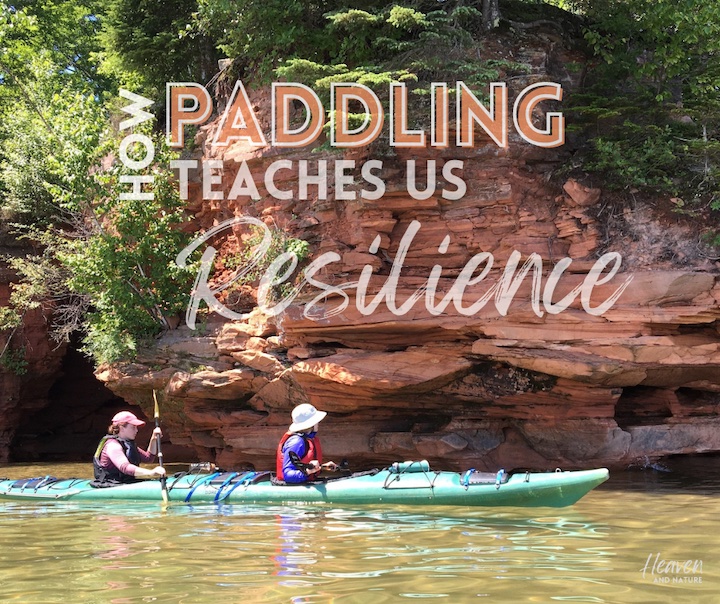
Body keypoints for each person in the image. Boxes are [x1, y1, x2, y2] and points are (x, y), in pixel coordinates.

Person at [92, 411, 166, 485]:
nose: (136, 430)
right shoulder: (113, 445)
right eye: (133, 427)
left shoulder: (128, 445)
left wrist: (153, 439)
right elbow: (125, 467)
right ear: (122, 428)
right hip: (110, 484)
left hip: (125, 482)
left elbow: (148, 458)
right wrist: (150, 472)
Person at [276, 403, 338, 483]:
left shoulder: (305, 439)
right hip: (294, 488)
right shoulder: (296, 442)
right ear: (311, 424)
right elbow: (288, 475)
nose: (318, 424)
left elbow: (302, 464)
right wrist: (308, 471)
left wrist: (322, 467)